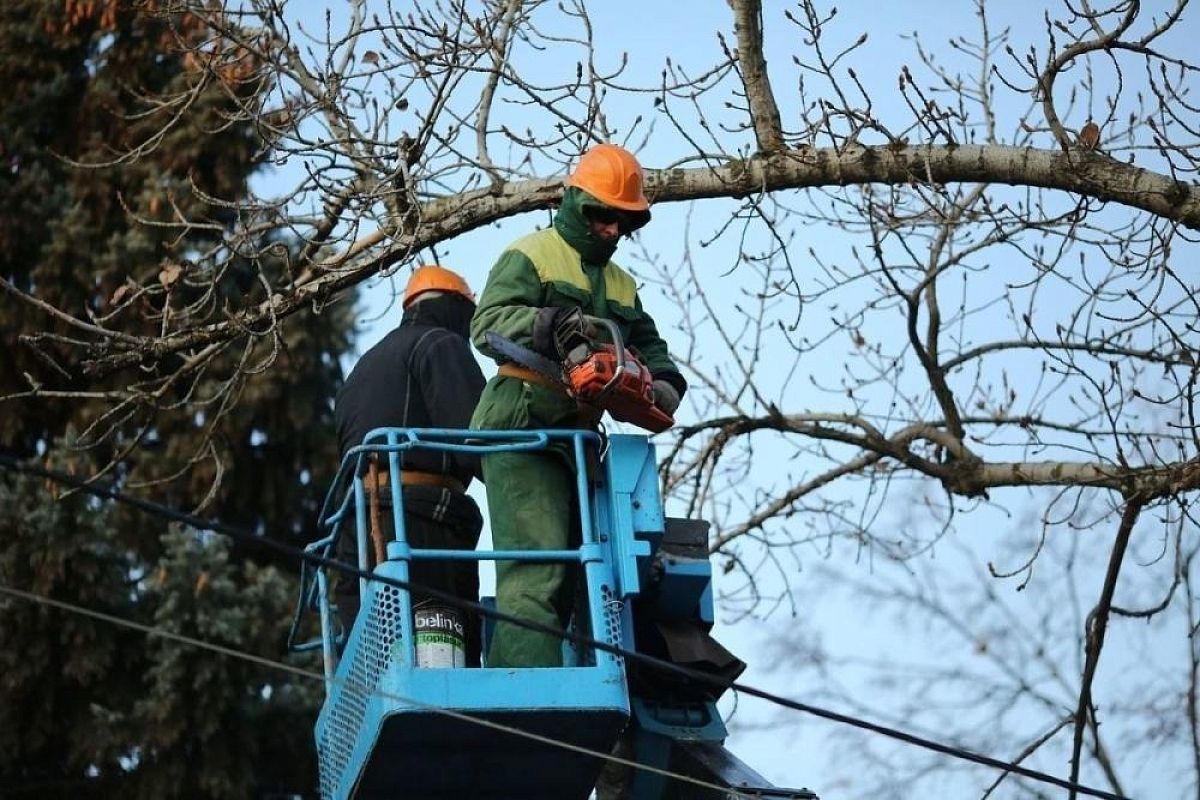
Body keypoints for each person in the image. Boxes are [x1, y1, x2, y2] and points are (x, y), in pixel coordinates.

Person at [469, 143, 686, 668]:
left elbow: (653, 349)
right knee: (537, 568)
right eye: (601, 216)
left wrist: (663, 384)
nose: (611, 230)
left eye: (623, 221)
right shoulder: (533, 254)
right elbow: (485, 325)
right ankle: (521, 693)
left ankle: (551, 680)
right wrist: (550, 323)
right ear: (574, 202)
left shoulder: (621, 285)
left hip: (577, 436)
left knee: (574, 576)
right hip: (522, 422)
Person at [333, 265, 486, 665]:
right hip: (417, 523)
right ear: (457, 309)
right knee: (440, 660)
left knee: (377, 655)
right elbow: (478, 439)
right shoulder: (441, 345)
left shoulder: (364, 366)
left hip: (357, 527)